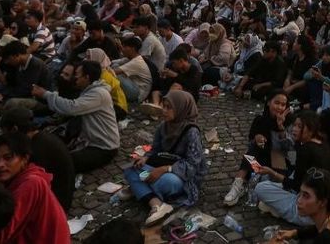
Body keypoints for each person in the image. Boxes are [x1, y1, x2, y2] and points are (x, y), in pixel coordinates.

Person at [121, 90, 207, 226]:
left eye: (169, 107)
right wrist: (146, 159)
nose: (164, 111)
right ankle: (156, 203)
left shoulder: (191, 132)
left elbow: (193, 167)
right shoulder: (163, 127)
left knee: (166, 182)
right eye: (163, 106)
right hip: (160, 168)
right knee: (131, 169)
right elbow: (155, 151)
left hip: (181, 177)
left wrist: (164, 169)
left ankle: (139, 189)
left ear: (181, 109)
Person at [0, 133, 72, 243]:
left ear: (25, 159)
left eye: (8, 158)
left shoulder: (31, 183)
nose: (0, 164)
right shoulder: (12, 180)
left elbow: (3, 232)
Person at [32, 60, 121, 173]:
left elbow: (72, 108)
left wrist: (45, 94)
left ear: (86, 77)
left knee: (63, 165)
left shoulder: (98, 93)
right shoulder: (88, 90)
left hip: (104, 148)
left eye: (76, 75)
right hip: (88, 141)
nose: (74, 77)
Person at [252, 110, 330, 226]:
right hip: (324, 204)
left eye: (299, 126)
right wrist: (281, 128)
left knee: (261, 187)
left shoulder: (306, 150)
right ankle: (278, 207)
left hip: (309, 214)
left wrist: (272, 173)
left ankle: (281, 210)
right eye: (294, 125)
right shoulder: (321, 142)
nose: (294, 129)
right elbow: (292, 153)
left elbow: (297, 185)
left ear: (311, 129)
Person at [0, 107, 75, 213]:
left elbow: (26, 181)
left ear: (14, 129)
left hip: (55, 205)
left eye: (5, 132)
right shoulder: (39, 138)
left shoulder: (36, 148)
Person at [224, 90, 292, 206]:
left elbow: (290, 150)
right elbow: (250, 142)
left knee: (262, 185)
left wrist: (281, 128)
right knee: (252, 150)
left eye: (283, 104)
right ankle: (238, 184)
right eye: (277, 103)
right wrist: (257, 138)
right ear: (269, 103)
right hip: (260, 163)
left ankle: (247, 183)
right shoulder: (260, 120)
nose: (280, 107)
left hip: (280, 163)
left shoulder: (290, 121)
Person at [268, 168, 330, 244]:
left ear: (322, 202)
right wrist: (294, 233)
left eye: (306, 196)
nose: (298, 200)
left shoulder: (326, 239)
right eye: (300, 193)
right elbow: (316, 229)